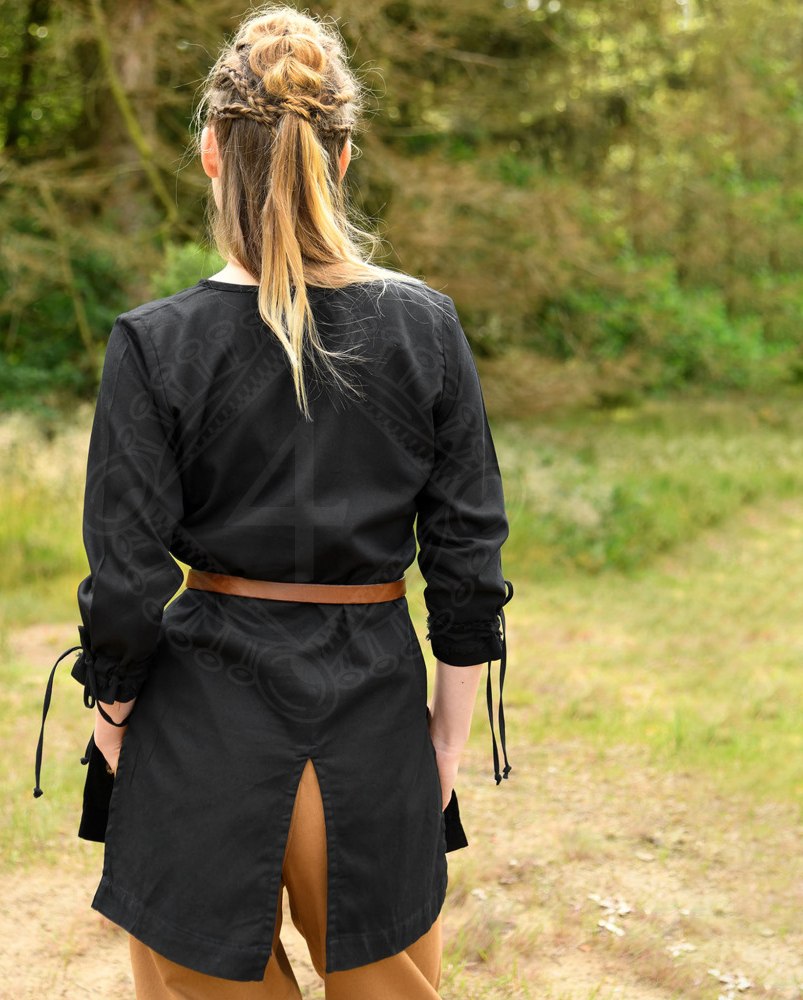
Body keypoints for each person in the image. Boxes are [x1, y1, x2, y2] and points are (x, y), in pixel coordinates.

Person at [34, 6, 512, 998]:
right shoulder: (424, 327)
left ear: (212, 152)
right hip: (375, 734)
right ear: (342, 156)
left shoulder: (153, 342)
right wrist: (445, 741)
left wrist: (113, 722)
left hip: (199, 737)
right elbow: (466, 564)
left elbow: (126, 579)